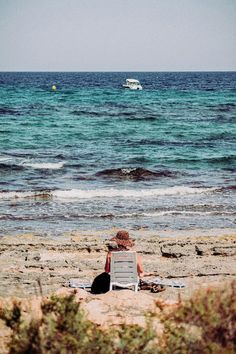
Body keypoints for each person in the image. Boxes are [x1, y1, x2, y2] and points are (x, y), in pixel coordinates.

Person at [91, 230, 151, 294]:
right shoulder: (134, 255)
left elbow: (107, 270)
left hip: (116, 279)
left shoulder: (110, 253)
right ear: (127, 241)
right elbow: (141, 271)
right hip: (130, 279)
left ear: (116, 241)